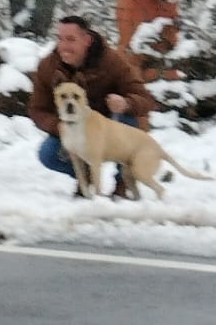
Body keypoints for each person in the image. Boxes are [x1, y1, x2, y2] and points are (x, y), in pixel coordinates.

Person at [27, 15, 157, 197]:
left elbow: (145, 99)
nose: (63, 46)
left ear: (87, 40)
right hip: (73, 128)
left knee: (127, 120)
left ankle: (123, 181)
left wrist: (126, 103)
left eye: (71, 39)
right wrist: (56, 126)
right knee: (48, 154)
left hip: (109, 129)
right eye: (60, 39)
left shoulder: (112, 62)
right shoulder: (48, 67)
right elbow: (37, 109)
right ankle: (85, 178)